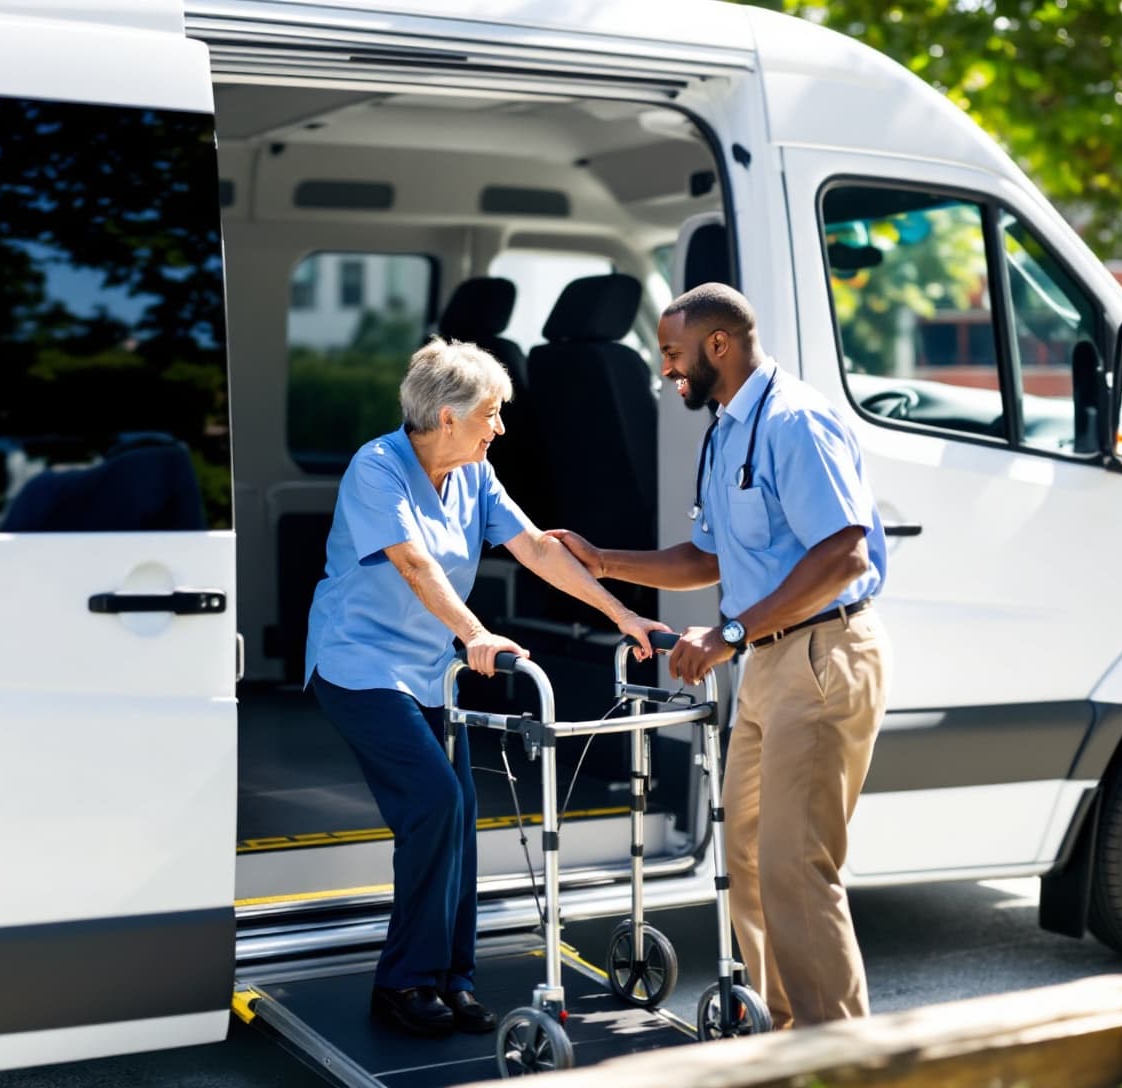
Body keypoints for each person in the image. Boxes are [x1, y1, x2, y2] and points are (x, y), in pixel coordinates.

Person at [305, 337, 669, 1039]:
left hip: (428, 669)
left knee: (460, 813)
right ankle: (403, 982)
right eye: (491, 414)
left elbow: (536, 548)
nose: (499, 428)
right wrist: (475, 633)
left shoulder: (474, 472)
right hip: (358, 665)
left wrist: (623, 616)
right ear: (447, 417)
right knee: (434, 801)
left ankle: (453, 978)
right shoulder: (376, 467)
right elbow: (414, 563)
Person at [550, 283, 891, 1029]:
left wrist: (729, 636)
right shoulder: (726, 430)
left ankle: (841, 1059)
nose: (666, 370)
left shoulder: (795, 421)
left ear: (718, 345)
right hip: (768, 663)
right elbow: (707, 557)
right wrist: (602, 561)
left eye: (672, 353)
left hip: (824, 655)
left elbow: (845, 554)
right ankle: (783, 1034)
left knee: (796, 866)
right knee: (747, 858)